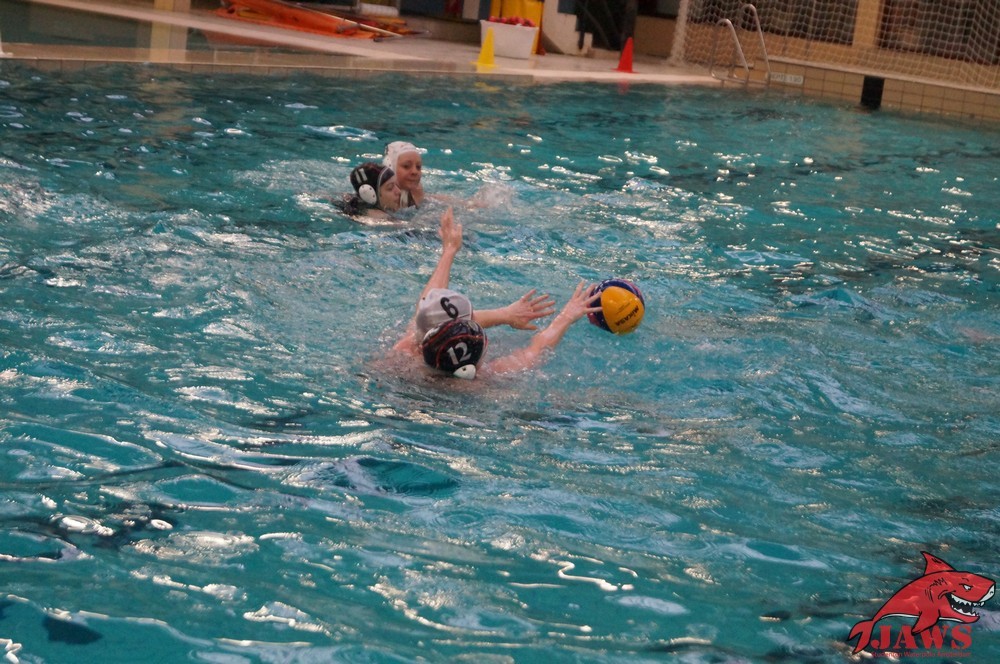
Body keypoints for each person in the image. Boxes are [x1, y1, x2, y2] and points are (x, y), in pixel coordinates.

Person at [391, 207, 601, 380]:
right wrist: (566, 316)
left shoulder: (404, 352)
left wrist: (449, 251)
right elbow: (536, 350)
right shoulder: (488, 379)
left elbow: (430, 311)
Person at [338, 162, 402, 218]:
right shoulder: (378, 219)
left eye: (396, 185)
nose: (399, 191)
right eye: (390, 188)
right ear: (370, 194)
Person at [383, 141, 424, 208]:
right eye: (406, 166)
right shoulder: (380, 197)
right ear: (391, 168)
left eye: (418, 167)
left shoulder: (416, 191)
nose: (415, 172)